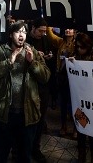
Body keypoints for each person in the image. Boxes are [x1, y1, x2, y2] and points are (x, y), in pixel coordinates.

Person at [0, 20, 50, 163]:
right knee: (0, 155)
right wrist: (9, 61)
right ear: (10, 35)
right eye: (18, 32)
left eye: (24, 32)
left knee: (24, 156)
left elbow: (45, 77)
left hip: (27, 114)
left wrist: (32, 63)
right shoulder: (1, 52)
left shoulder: (32, 51)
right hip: (6, 113)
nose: (21, 35)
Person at [25, 18, 55, 163]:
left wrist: (48, 57)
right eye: (40, 31)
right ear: (33, 28)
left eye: (45, 31)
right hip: (28, 86)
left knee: (39, 119)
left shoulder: (45, 40)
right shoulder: (24, 41)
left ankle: (35, 148)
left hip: (43, 86)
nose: (43, 34)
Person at [68, 33, 93, 163]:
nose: (79, 49)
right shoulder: (75, 56)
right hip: (79, 100)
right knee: (81, 129)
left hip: (92, 100)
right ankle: (81, 156)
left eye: (82, 47)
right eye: (77, 46)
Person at [45, 25, 76, 136]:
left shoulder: (77, 44)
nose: (68, 29)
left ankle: (76, 128)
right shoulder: (61, 42)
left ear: (74, 31)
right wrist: (49, 25)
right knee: (63, 102)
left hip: (74, 77)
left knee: (74, 103)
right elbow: (51, 36)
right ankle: (63, 126)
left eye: (70, 28)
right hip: (62, 76)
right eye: (67, 28)